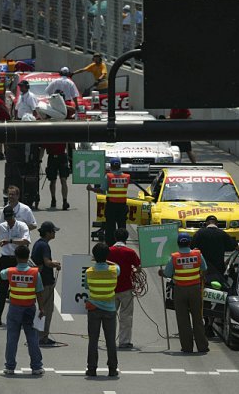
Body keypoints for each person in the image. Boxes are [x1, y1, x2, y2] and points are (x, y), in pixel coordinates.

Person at [191, 215, 239, 337]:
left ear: (205, 223)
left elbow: (190, 249)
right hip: (218, 274)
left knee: (203, 298)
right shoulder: (222, 234)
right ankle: (210, 323)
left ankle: (203, 323)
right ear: (216, 224)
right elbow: (235, 246)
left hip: (202, 273)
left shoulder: (199, 233)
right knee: (216, 298)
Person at [159, 233, 209, 353]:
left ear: (178, 243)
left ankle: (187, 347)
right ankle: (202, 346)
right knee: (197, 318)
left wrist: (161, 272)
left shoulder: (174, 257)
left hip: (180, 291)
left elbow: (168, 273)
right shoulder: (197, 255)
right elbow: (205, 269)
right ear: (189, 243)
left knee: (183, 320)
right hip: (195, 290)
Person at [1, 245, 45, 375]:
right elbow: (39, 292)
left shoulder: (10, 271)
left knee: (12, 338)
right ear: (28, 256)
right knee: (32, 338)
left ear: (16, 256)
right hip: (30, 308)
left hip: (14, 308)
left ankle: (10, 366)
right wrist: (41, 308)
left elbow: (2, 274)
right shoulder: (35, 273)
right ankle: (36, 367)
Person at [0, 205, 31, 326]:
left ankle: (22, 316)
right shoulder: (2, 227)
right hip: (5, 259)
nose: (9, 220)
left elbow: (26, 241)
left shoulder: (22, 226)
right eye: (7, 218)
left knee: (19, 288)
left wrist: (11, 241)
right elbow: (1, 241)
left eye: (10, 218)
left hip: (18, 260)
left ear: (14, 216)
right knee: (2, 288)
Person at [85, 242, 119, 377]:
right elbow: (116, 266)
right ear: (107, 256)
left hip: (94, 308)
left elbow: (87, 287)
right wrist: (107, 260)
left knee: (93, 339)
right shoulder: (114, 270)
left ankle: (92, 368)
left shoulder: (89, 272)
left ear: (94, 256)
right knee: (110, 340)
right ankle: (112, 368)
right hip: (110, 308)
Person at [86, 157, 130, 246]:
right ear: (120, 166)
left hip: (111, 205)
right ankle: (123, 243)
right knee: (122, 226)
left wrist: (91, 189)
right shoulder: (126, 177)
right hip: (122, 206)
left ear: (111, 166)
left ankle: (111, 246)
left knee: (110, 227)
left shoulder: (108, 177)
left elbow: (102, 190)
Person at [109, 228, 141, 349]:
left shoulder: (108, 251)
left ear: (115, 238)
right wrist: (132, 270)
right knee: (126, 316)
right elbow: (138, 268)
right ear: (126, 238)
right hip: (126, 288)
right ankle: (124, 341)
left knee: (110, 316)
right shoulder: (130, 252)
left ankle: (109, 339)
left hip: (110, 289)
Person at [31, 221, 61, 346]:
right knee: (46, 310)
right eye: (53, 231)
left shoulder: (38, 244)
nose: (54, 233)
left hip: (39, 281)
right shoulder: (44, 246)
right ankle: (42, 337)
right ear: (48, 233)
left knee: (42, 309)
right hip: (45, 282)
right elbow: (47, 262)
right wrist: (56, 264)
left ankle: (38, 335)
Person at [40, 143, 70, 210]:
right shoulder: (49, 134)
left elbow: (70, 143)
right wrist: (39, 159)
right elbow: (43, 148)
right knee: (53, 180)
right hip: (52, 157)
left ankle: (64, 201)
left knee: (63, 180)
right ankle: (53, 199)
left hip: (62, 157)